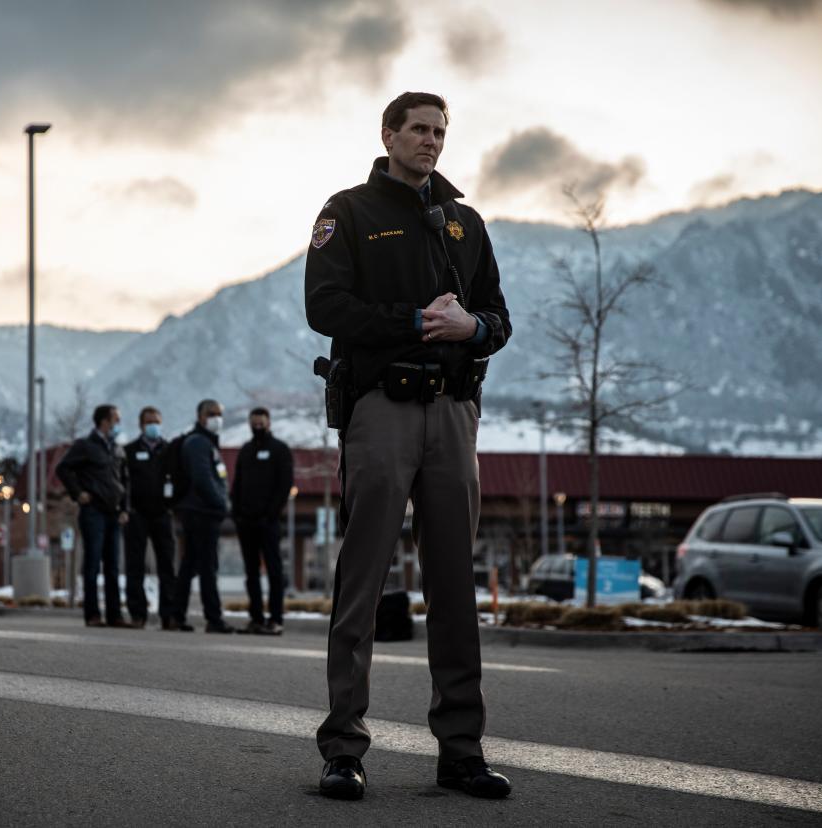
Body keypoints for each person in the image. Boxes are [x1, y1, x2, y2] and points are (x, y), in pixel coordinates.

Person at [304, 92, 513, 801]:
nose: (431, 141)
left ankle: (461, 751)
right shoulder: (349, 212)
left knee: (455, 586)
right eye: (419, 129)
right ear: (388, 134)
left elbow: (499, 317)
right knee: (361, 583)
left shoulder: (464, 223)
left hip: (453, 415)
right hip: (381, 410)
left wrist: (473, 331)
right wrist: (415, 321)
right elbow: (324, 308)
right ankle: (343, 748)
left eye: (440, 131)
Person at [55, 404, 130, 628]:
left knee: (113, 567)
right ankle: (93, 614)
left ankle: (115, 615)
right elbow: (63, 469)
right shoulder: (85, 446)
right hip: (93, 512)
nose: (118, 424)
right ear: (104, 421)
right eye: (116, 419)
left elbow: (125, 481)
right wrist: (78, 493)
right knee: (92, 564)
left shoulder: (117, 449)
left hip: (114, 513)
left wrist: (125, 508)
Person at [170, 400, 235, 634]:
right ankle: (213, 618)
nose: (216, 418)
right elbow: (203, 478)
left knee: (191, 565)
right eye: (211, 414)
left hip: (202, 511)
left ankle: (176, 615)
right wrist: (222, 504)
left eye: (219, 414)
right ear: (200, 416)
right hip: (201, 512)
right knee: (207, 566)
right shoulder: (198, 443)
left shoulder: (207, 442)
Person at [230, 407, 294, 635]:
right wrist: (236, 514)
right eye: (254, 423)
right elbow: (237, 484)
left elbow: (284, 485)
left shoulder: (280, 450)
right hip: (245, 522)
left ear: (268, 423)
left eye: (261, 423)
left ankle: (275, 619)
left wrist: (271, 513)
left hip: (268, 522)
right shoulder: (245, 451)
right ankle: (256, 618)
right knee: (252, 573)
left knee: (274, 572)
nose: (257, 426)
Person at [123, 406, 178, 630]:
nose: (153, 425)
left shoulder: (170, 450)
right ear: (141, 425)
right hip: (137, 515)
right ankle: (138, 614)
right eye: (148, 422)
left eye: (156, 421)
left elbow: (179, 479)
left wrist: (172, 505)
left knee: (167, 565)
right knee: (135, 566)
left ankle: (169, 615)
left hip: (163, 514)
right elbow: (123, 482)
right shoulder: (129, 451)